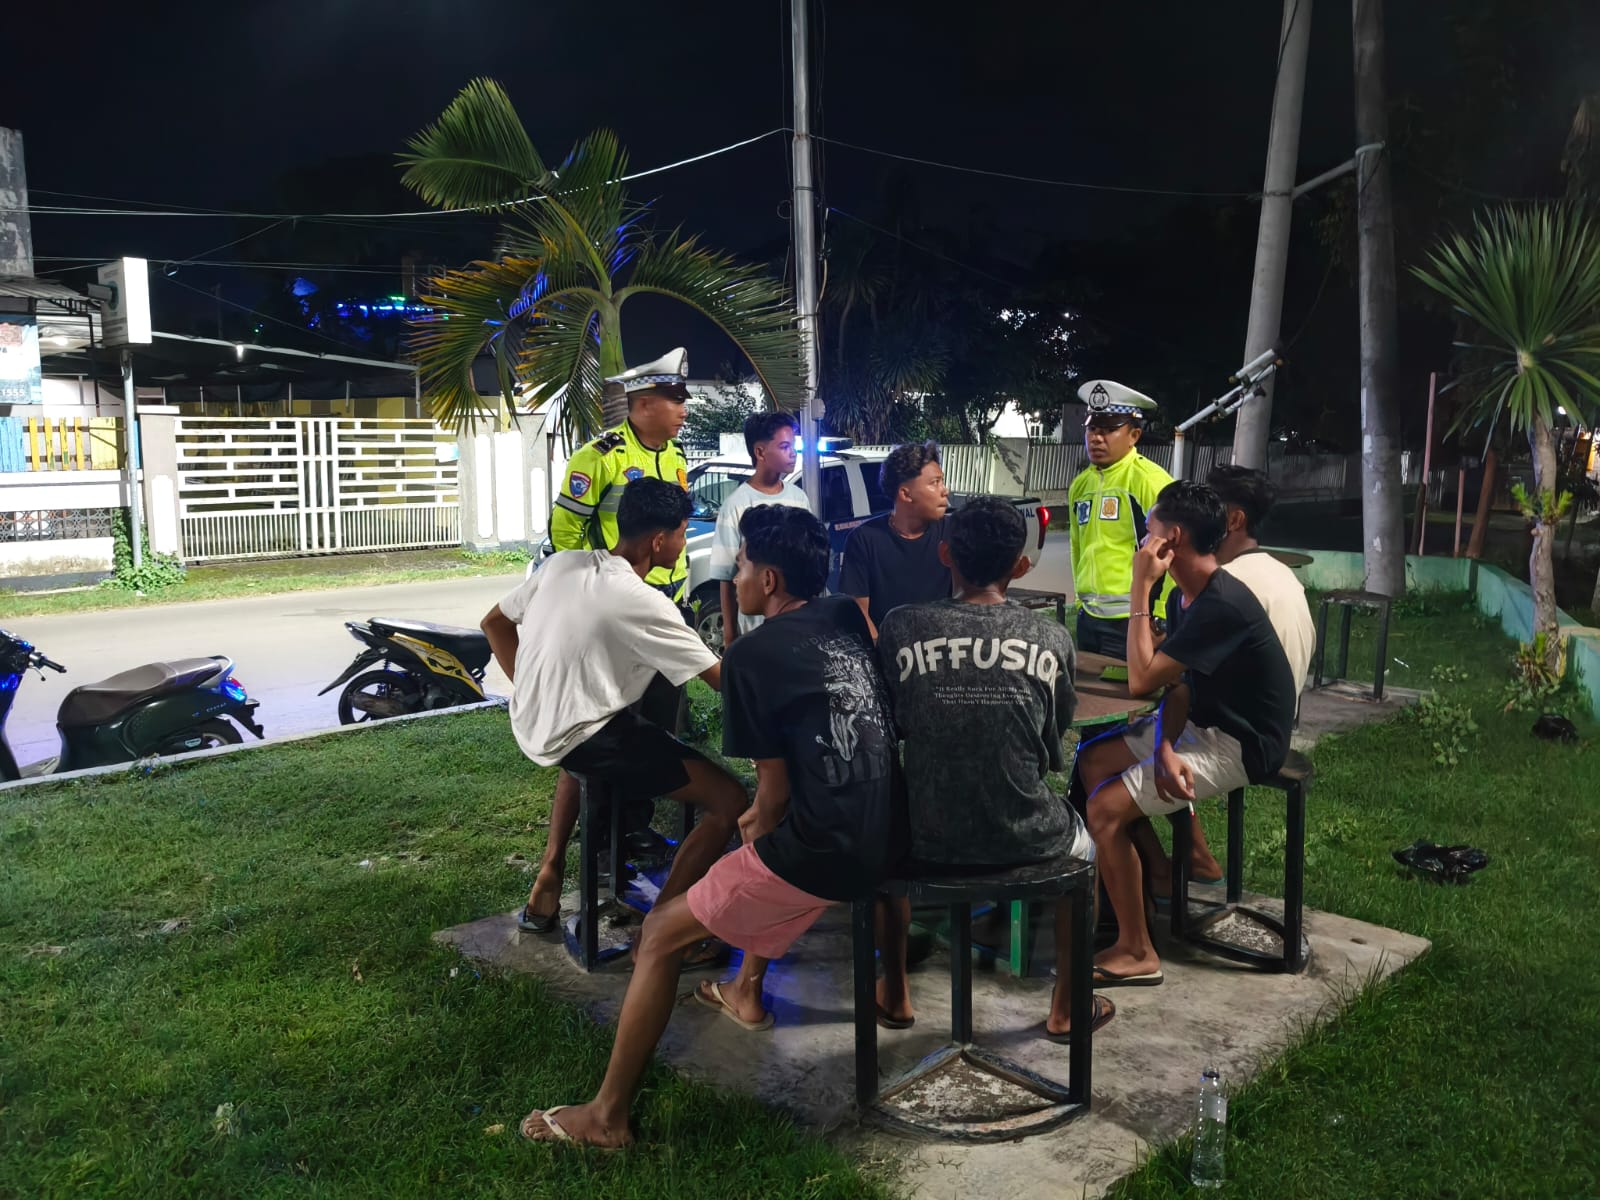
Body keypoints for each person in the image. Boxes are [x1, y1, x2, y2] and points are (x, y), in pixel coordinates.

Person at [518, 504, 907, 1148]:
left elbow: (771, 798)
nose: (735, 575)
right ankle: (761, 992)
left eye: (743, 564)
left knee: (661, 935)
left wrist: (752, 828)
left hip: (826, 848)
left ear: (769, 581)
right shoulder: (844, 614)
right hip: (891, 830)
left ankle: (607, 1117)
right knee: (757, 847)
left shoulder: (751, 657)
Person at [876, 497, 1110, 1041]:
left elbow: (895, 723)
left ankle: (895, 992)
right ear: (1021, 566)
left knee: (882, 837)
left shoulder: (901, 626)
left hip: (922, 836)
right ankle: (1067, 1006)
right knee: (1087, 851)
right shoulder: (1052, 639)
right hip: (1025, 836)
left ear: (945, 554)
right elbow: (1052, 746)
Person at [482, 478, 747, 951]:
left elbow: (493, 623)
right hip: (584, 734)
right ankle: (662, 929)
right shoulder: (644, 601)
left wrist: (532, 686)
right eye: (682, 533)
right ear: (658, 541)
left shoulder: (562, 564)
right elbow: (722, 681)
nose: (683, 543)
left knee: (588, 739)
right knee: (729, 799)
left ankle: (548, 875)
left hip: (535, 722)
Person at [1075, 481, 1298, 987]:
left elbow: (1140, 680)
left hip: (1244, 743)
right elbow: (1176, 687)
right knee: (1092, 761)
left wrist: (1139, 586)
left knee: (1104, 809)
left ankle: (1137, 950)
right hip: (1203, 722)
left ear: (1171, 538)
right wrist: (1162, 747)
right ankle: (1155, 875)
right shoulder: (1186, 597)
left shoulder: (1222, 604)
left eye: (1148, 530)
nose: (1142, 542)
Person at [521, 348, 695, 932]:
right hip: (615, 614)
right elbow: (566, 534)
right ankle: (592, 853)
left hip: (664, 612)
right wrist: (598, 592)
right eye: (675, 400)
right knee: (597, 733)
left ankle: (632, 831)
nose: (684, 410)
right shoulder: (598, 457)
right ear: (643, 402)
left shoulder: (674, 456)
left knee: (656, 731)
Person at [1132, 464, 1317, 900]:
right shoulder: (1277, 571)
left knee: (1113, 772)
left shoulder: (1227, 587)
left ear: (1230, 519)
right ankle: (1170, 868)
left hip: (1240, 726)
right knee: (1123, 750)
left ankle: (1172, 868)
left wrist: (1142, 591)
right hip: (1268, 712)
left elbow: (1154, 677)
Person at [1066, 379, 1176, 659]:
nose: (1096, 438)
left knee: (1131, 687)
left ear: (1134, 435)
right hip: (1088, 617)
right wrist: (1079, 601)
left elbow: (1177, 550)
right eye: (1092, 428)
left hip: (1135, 619)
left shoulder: (1150, 481)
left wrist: (1162, 615)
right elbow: (1077, 546)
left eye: (1108, 430)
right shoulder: (1080, 485)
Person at [707, 409, 809, 648]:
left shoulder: (799, 498)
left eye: (793, 446)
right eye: (784, 446)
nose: (793, 453)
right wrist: (730, 635)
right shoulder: (736, 505)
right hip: (755, 630)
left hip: (798, 625)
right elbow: (726, 577)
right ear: (760, 452)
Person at [840, 441, 952, 637]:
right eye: (935, 483)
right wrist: (883, 650)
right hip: (885, 650)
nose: (945, 490)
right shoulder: (864, 540)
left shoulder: (953, 532)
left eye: (942, 481)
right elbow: (859, 612)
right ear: (905, 494)